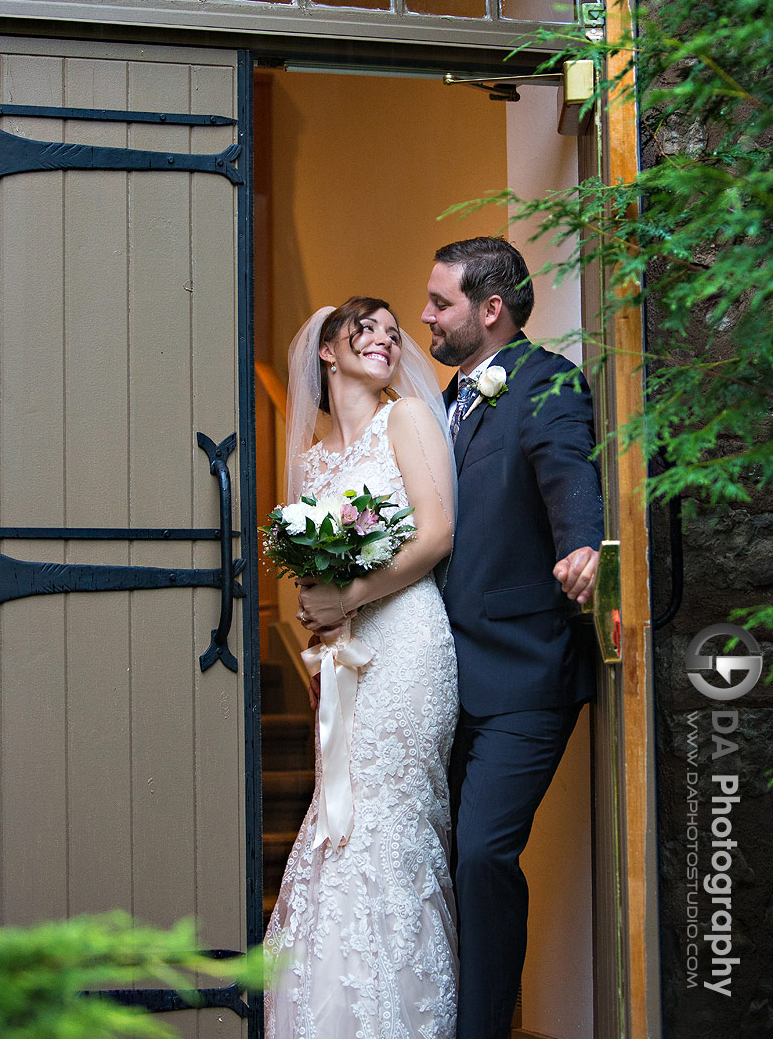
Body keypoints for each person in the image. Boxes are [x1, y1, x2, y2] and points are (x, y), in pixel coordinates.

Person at [421, 237, 604, 1039]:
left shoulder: (549, 381)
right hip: (442, 675)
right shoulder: (442, 397)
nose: (424, 314)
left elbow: (566, 465)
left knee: (482, 857)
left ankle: (485, 1030)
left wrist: (583, 544)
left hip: (526, 674)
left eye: (440, 302)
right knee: (441, 860)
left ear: (490, 310)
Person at [265, 297, 459, 1039]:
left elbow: (435, 532)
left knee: (388, 821)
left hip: (407, 646)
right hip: (345, 660)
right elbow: (306, 569)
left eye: (390, 331)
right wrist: (317, 612)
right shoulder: (313, 461)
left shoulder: (404, 418)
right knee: (336, 821)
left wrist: (345, 596)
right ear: (326, 350)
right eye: (365, 329)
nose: (383, 339)